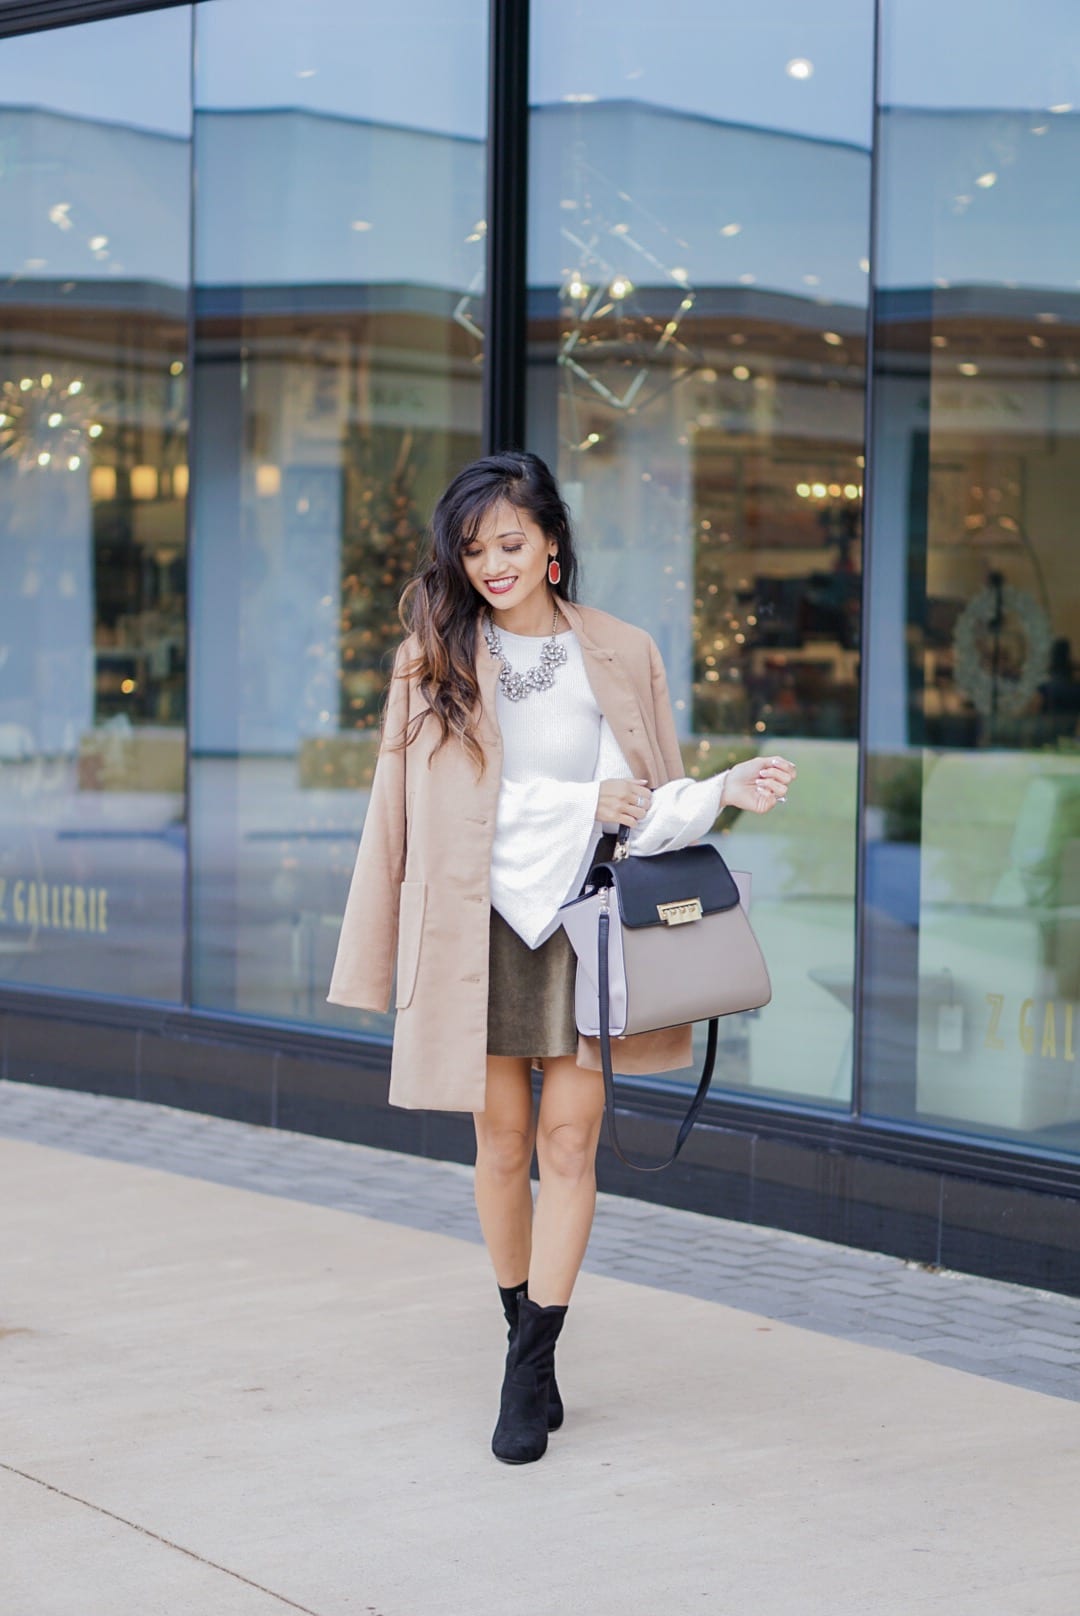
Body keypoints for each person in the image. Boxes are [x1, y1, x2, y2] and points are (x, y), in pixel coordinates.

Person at [327, 452, 796, 1465]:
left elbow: (648, 800)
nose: (491, 563)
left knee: (569, 1147)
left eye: (509, 542)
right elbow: (435, 813)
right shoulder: (435, 658)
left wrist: (723, 787)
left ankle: (529, 1365)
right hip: (479, 931)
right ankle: (524, 1340)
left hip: (588, 928)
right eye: (472, 547)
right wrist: (576, 802)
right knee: (502, 1147)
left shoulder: (619, 650)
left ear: (550, 542)